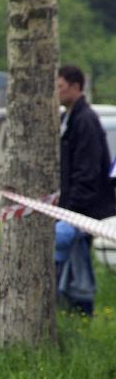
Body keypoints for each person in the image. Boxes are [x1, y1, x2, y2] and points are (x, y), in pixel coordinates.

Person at [56, 65, 115, 315]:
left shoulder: (85, 119)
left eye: (60, 87)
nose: (57, 92)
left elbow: (87, 171)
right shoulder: (68, 117)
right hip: (73, 207)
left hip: (82, 208)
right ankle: (72, 310)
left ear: (76, 86)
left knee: (74, 262)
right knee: (72, 262)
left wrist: (72, 210)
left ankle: (81, 309)